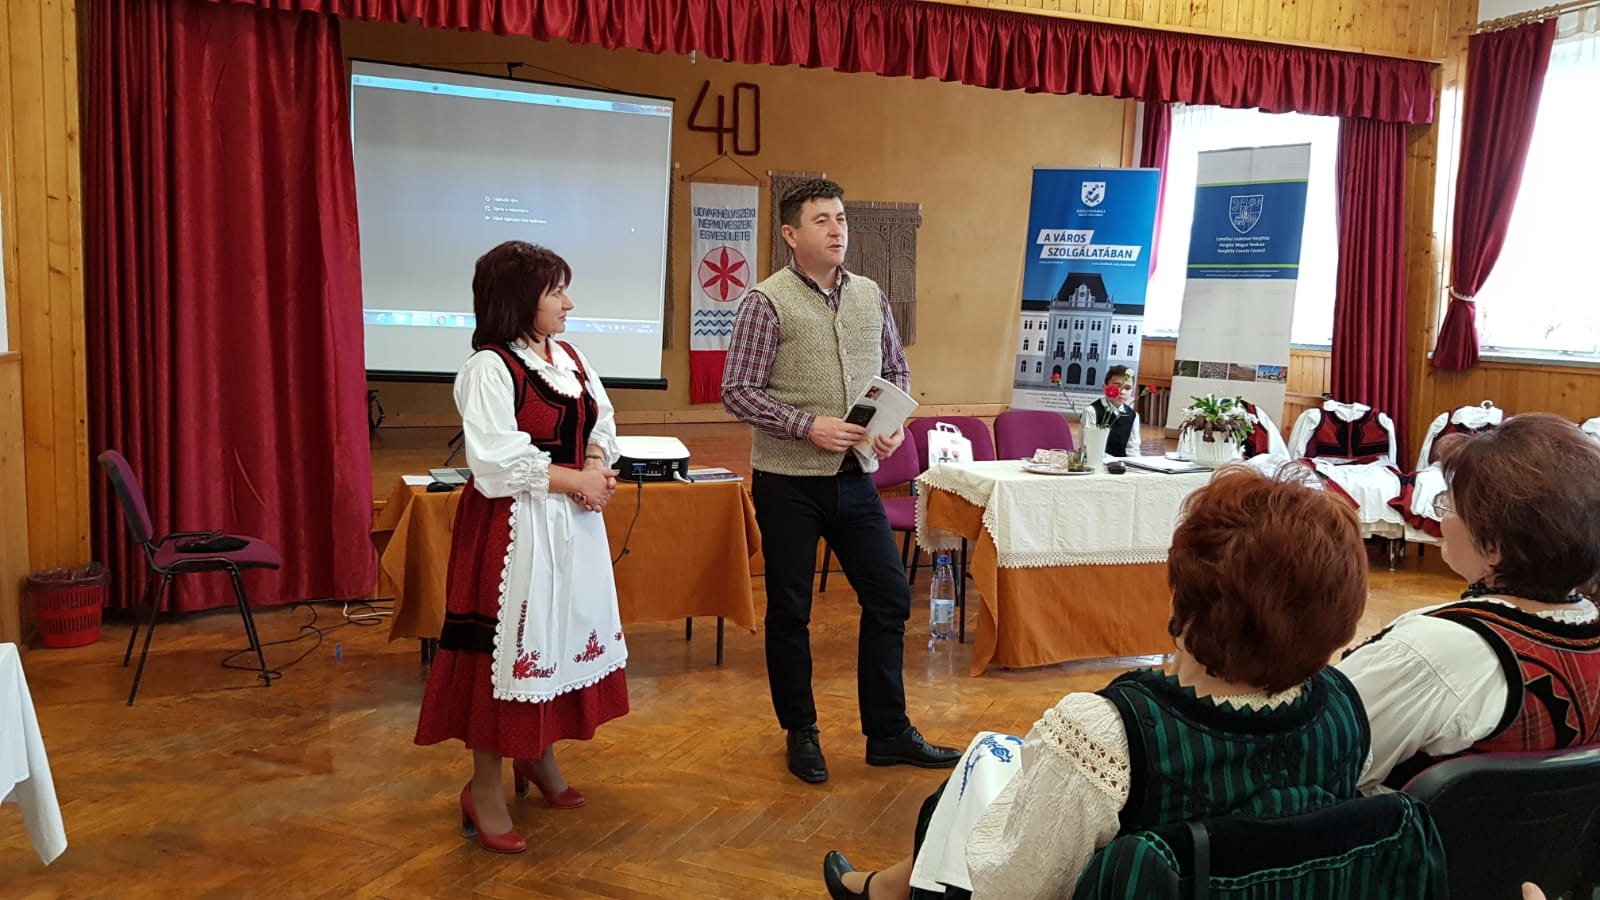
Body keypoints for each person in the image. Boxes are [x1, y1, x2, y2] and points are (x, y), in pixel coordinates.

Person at [822, 466, 1372, 899]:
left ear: (1184, 597)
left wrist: (993, 815)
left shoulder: (1109, 733)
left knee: (968, 788)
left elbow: (1009, 888)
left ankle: (886, 888)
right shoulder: (1343, 708)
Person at [722, 178, 959, 784]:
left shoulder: (871, 294)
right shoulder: (765, 301)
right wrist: (807, 425)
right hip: (787, 482)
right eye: (822, 220)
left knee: (890, 596)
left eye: (841, 219)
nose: (836, 230)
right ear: (790, 233)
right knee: (791, 611)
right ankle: (801, 731)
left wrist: (891, 426)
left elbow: (895, 370)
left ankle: (887, 732)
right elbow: (738, 391)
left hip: (857, 478)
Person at [415, 241, 629, 854]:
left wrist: (595, 463)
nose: (569, 303)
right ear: (519, 299)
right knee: (506, 654)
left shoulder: (570, 357)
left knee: (556, 640)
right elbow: (494, 462)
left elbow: (600, 420)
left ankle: (536, 756)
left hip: (573, 526)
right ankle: (483, 789)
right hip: (515, 530)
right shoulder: (490, 367)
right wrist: (578, 481)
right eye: (555, 291)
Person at [1338, 413, 1600, 793]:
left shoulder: (1433, 649)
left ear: (1496, 544)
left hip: (1424, 833)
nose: (1440, 518)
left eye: (1448, 505)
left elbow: (1315, 757)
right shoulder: (1589, 631)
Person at [1082, 364, 1142, 457]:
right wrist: (1113, 461)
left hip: (1122, 464)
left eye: (1127, 388)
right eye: (1117, 386)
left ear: (1132, 392)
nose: (1122, 392)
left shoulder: (1133, 416)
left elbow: (1133, 448)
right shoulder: (1092, 411)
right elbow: (1087, 447)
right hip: (1095, 462)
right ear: (1104, 388)